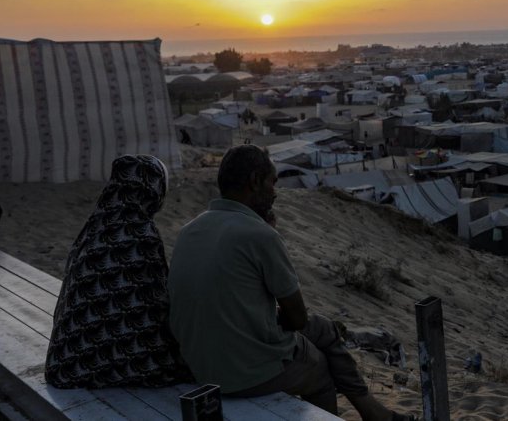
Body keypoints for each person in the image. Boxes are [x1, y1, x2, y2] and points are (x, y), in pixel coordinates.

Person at [169, 145, 395, 420]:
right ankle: (370, 411)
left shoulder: (188, 231)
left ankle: (371, 410)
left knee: (324, 329)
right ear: (255, 181)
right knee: (322, 370)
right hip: (242, 372)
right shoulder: (259, 234)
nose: (275, 192)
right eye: (272, 182)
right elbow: (297, 318)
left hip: (201, 363)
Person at [46, 155, 190, 388]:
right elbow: (158, 305)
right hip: (119, 362)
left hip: (67, 360)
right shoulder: (141, 233)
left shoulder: (94, 226)